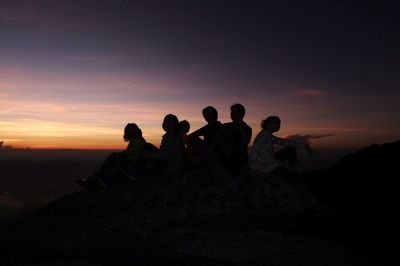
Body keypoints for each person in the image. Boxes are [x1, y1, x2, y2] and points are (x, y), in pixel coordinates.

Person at [77, 123, 147, 190]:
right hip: (134, 163)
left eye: (129, 131)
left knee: (114, 156)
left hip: (134, 164)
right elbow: (129, 152)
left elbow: (127, 153)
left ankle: (100, 176)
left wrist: (118, 155)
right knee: (115, 158)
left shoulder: (136, 140)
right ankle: (98, 178)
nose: (129, 133)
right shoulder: (138, 140)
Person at [249, 116, 314, 174]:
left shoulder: (268, 135)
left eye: (279, 124)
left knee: (290, 149)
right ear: (269, 124)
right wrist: (254, 170)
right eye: (276, 123)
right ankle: (292, 171)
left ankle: (293, 169)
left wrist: (304, 146)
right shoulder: (264, 135)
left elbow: (284, 141)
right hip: (266, 165)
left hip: (268, 161)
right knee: (290, 150)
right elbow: (254, 151)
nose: (278, 126)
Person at [213, 103, 252, 174]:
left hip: (238, 157)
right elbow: (217, 141)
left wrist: (241, 130)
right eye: (231, 111)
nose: (231, 113)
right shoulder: (224, 126)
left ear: (242, 114)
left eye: (234, 112)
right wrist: (224, 150)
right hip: (223, 155)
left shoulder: (247, 128)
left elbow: (244, 144)